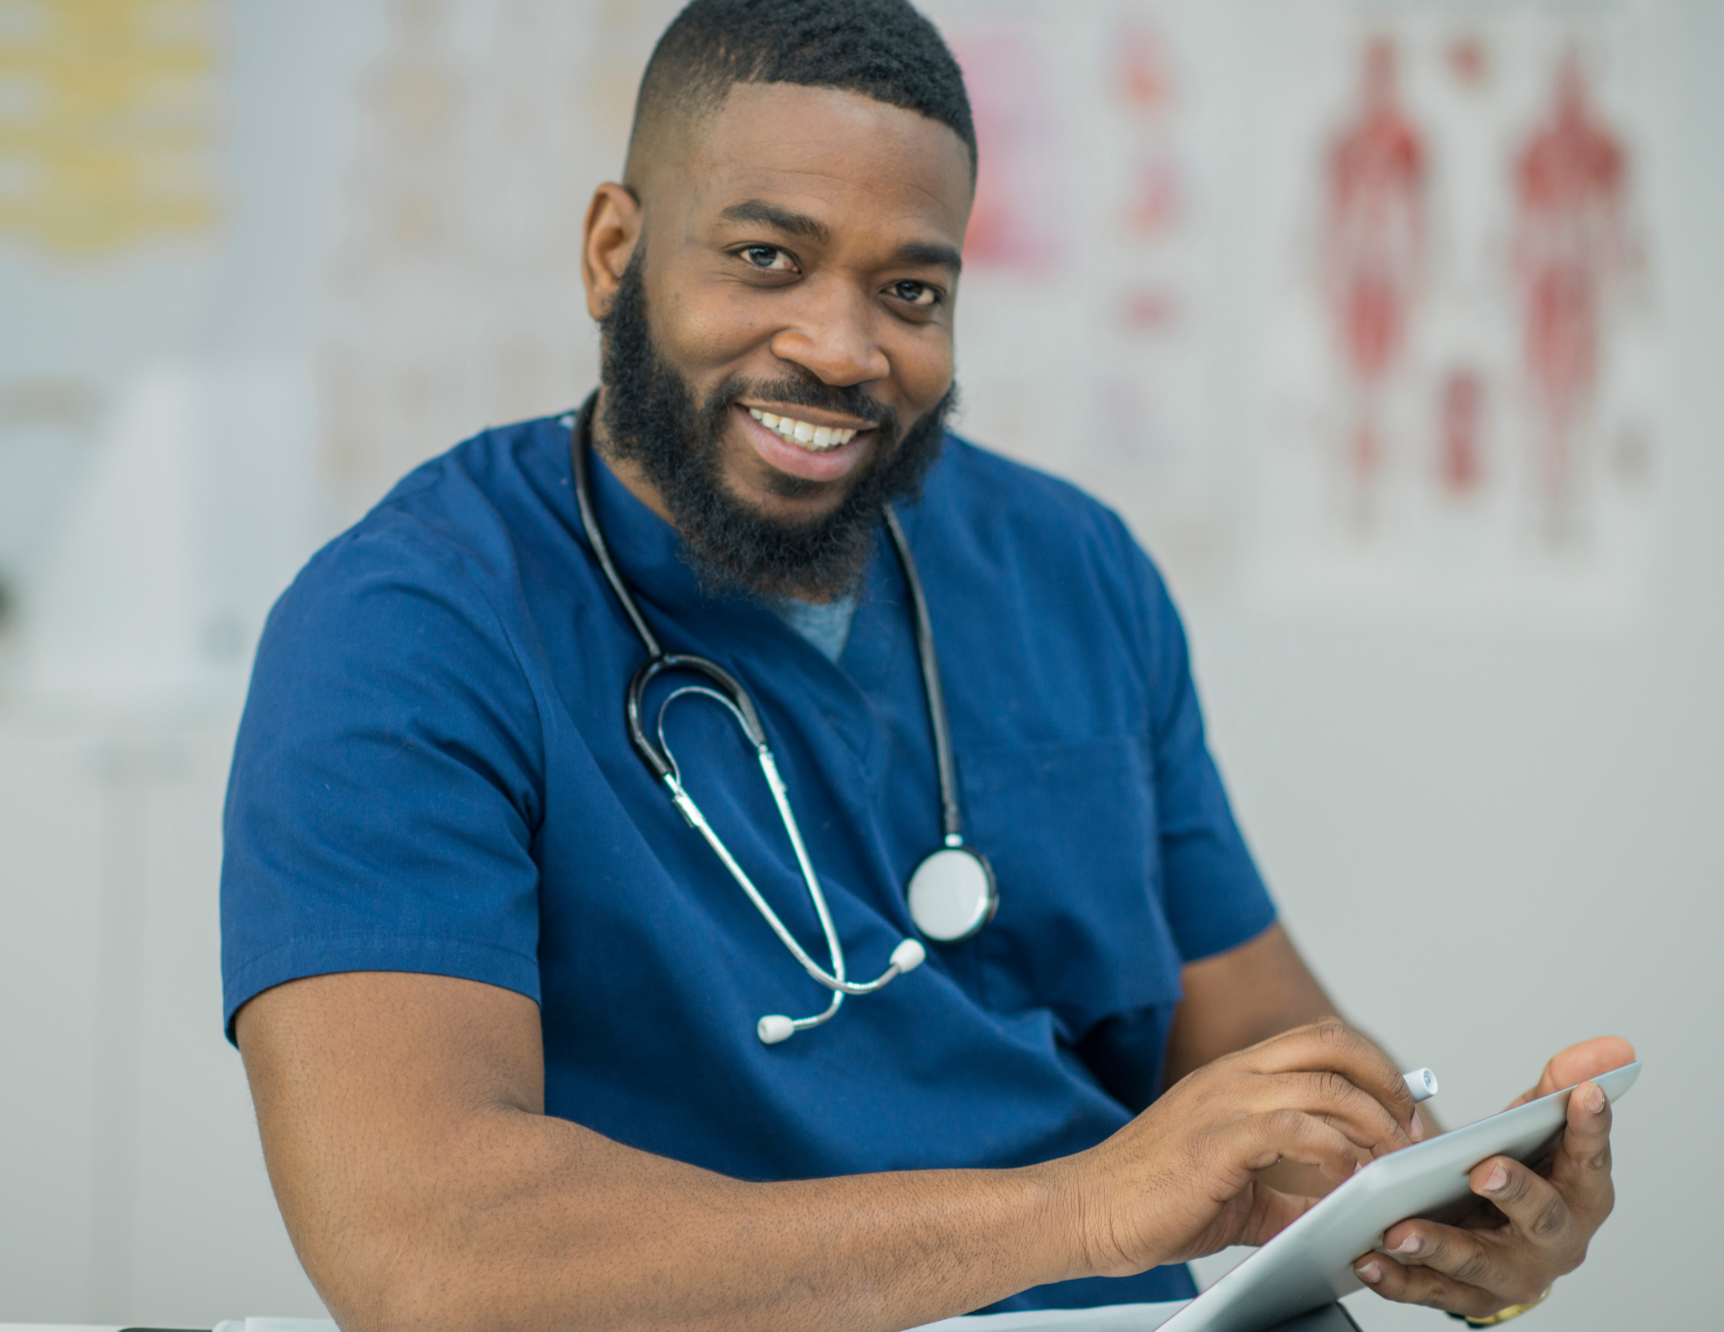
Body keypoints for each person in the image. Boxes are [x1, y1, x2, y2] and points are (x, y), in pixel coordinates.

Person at [220, 3, 1632, 1329]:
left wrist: (1450, 1210)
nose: (839, 348)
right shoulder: (406, 629)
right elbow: (423, 1249)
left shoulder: (1072, 568)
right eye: (765, 256)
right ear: (612, 251)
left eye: (909, 288)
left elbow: (1262, 1045)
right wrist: (1079, 1209)